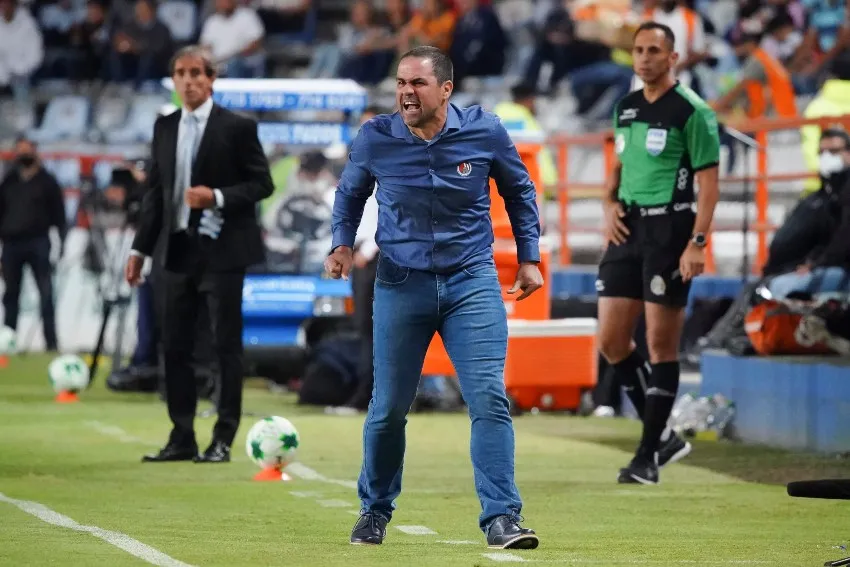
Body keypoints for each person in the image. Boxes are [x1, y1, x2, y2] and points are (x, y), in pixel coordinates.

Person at [325, 45, 543, 549]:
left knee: (489, 397)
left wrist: (529, 257)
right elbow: (350, 193)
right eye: (401, 83)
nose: (406, 92)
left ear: (445, 89)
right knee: (388, 407)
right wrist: (340, 244)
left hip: (472, 282)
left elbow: (520, 190)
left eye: (417, 84)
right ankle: (374, 511)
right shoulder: (375, 137)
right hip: (401, 282)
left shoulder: (485, 130)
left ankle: (502, 518)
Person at [125, 44, 274, 464]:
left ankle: (223, 438)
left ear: (211, 79)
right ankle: (182, 435)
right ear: (173, 80)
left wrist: (218, 197)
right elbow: (156, 192)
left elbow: (263, 184)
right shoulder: (164, 126)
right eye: (181, 73)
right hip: (174, 249)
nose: (188, 81)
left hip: (223, 250)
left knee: (225, 345)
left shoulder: (238, 127)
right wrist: (140, 248)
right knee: (173, 346)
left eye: (196, 73)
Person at [595, 22, 721, 485]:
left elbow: (709, 184)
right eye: (638, 51)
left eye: (654, 51)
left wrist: (698, 242)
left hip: (672, 229)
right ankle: (664, 437)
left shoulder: (693, 112)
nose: (644, 58)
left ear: (673, 58)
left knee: (661, 344)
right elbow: (619, 166)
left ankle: (648, 454)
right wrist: (608, 203)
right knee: (611, 341)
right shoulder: (624, 108)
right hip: (627, 226)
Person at [0, 136, 66, 352]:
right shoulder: (9, 180)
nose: (23, 155)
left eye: (26, 150)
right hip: (11, 244)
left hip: (39, 242)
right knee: (11, 295)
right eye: (19, 150)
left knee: (46, 294)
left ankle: (51, 343)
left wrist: (61, 244)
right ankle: (8, 341)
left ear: (35, 152)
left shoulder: (48, 181)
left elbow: (60, 215)